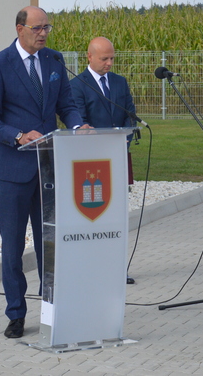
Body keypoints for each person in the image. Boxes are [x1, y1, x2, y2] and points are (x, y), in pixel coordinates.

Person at [0, 6, 89, 339]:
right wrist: (17, 135)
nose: (43, 33)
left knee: (50, 244)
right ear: (19, 29)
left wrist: (78, 124)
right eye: (37, 27)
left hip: (48, 168)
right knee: (12, 246)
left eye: (47, 27)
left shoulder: (53, 62)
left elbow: (66, 104)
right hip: (13, 170)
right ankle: (15, 314)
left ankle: (54, 310)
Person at [70, 36, 137, 284]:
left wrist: (123, 142)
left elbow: (130, 115)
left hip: (118, 156)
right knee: (95, 214)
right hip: (91, 164)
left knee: (117, 214)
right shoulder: (76, 85)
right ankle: (92, 266)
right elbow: (79, 119)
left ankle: (117, 267)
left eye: (112, 58)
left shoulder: (120, 83)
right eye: (104, 59)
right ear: (89, 56)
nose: (109, 63)